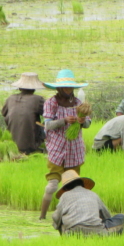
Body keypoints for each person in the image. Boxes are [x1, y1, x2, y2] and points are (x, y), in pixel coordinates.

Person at [40, 69, 91, 220]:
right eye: (65, 87)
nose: (68, 90)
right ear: (59, 88)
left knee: (73, 188)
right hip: (57, 149)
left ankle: (70, 217)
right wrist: (64, 121)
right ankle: (42, 216)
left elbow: (88, 123)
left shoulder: (79, 104)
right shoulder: (51, 103)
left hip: (74, 151)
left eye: (70, 87)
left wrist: (82, 122)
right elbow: (48, 125)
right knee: (52, 186)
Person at [51, 170, 124, 236]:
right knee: (121, 217)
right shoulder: (93, 194)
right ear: (82, 184)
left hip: (72, 233)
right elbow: (107, 216)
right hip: (97, 232)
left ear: (66, 188)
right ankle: (113, 240)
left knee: (61, 223)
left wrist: (59, 226)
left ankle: (66, 241)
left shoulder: (64, 196)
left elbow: (56, 219)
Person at [1, 72, 45, 154]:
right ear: (34, 89)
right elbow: (49, 114)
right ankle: (37, 145)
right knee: (47, 123)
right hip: (30, 144)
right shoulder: (38, 99)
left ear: (20, 88)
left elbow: (3, 113)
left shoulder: (10, 98)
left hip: (11, 142)